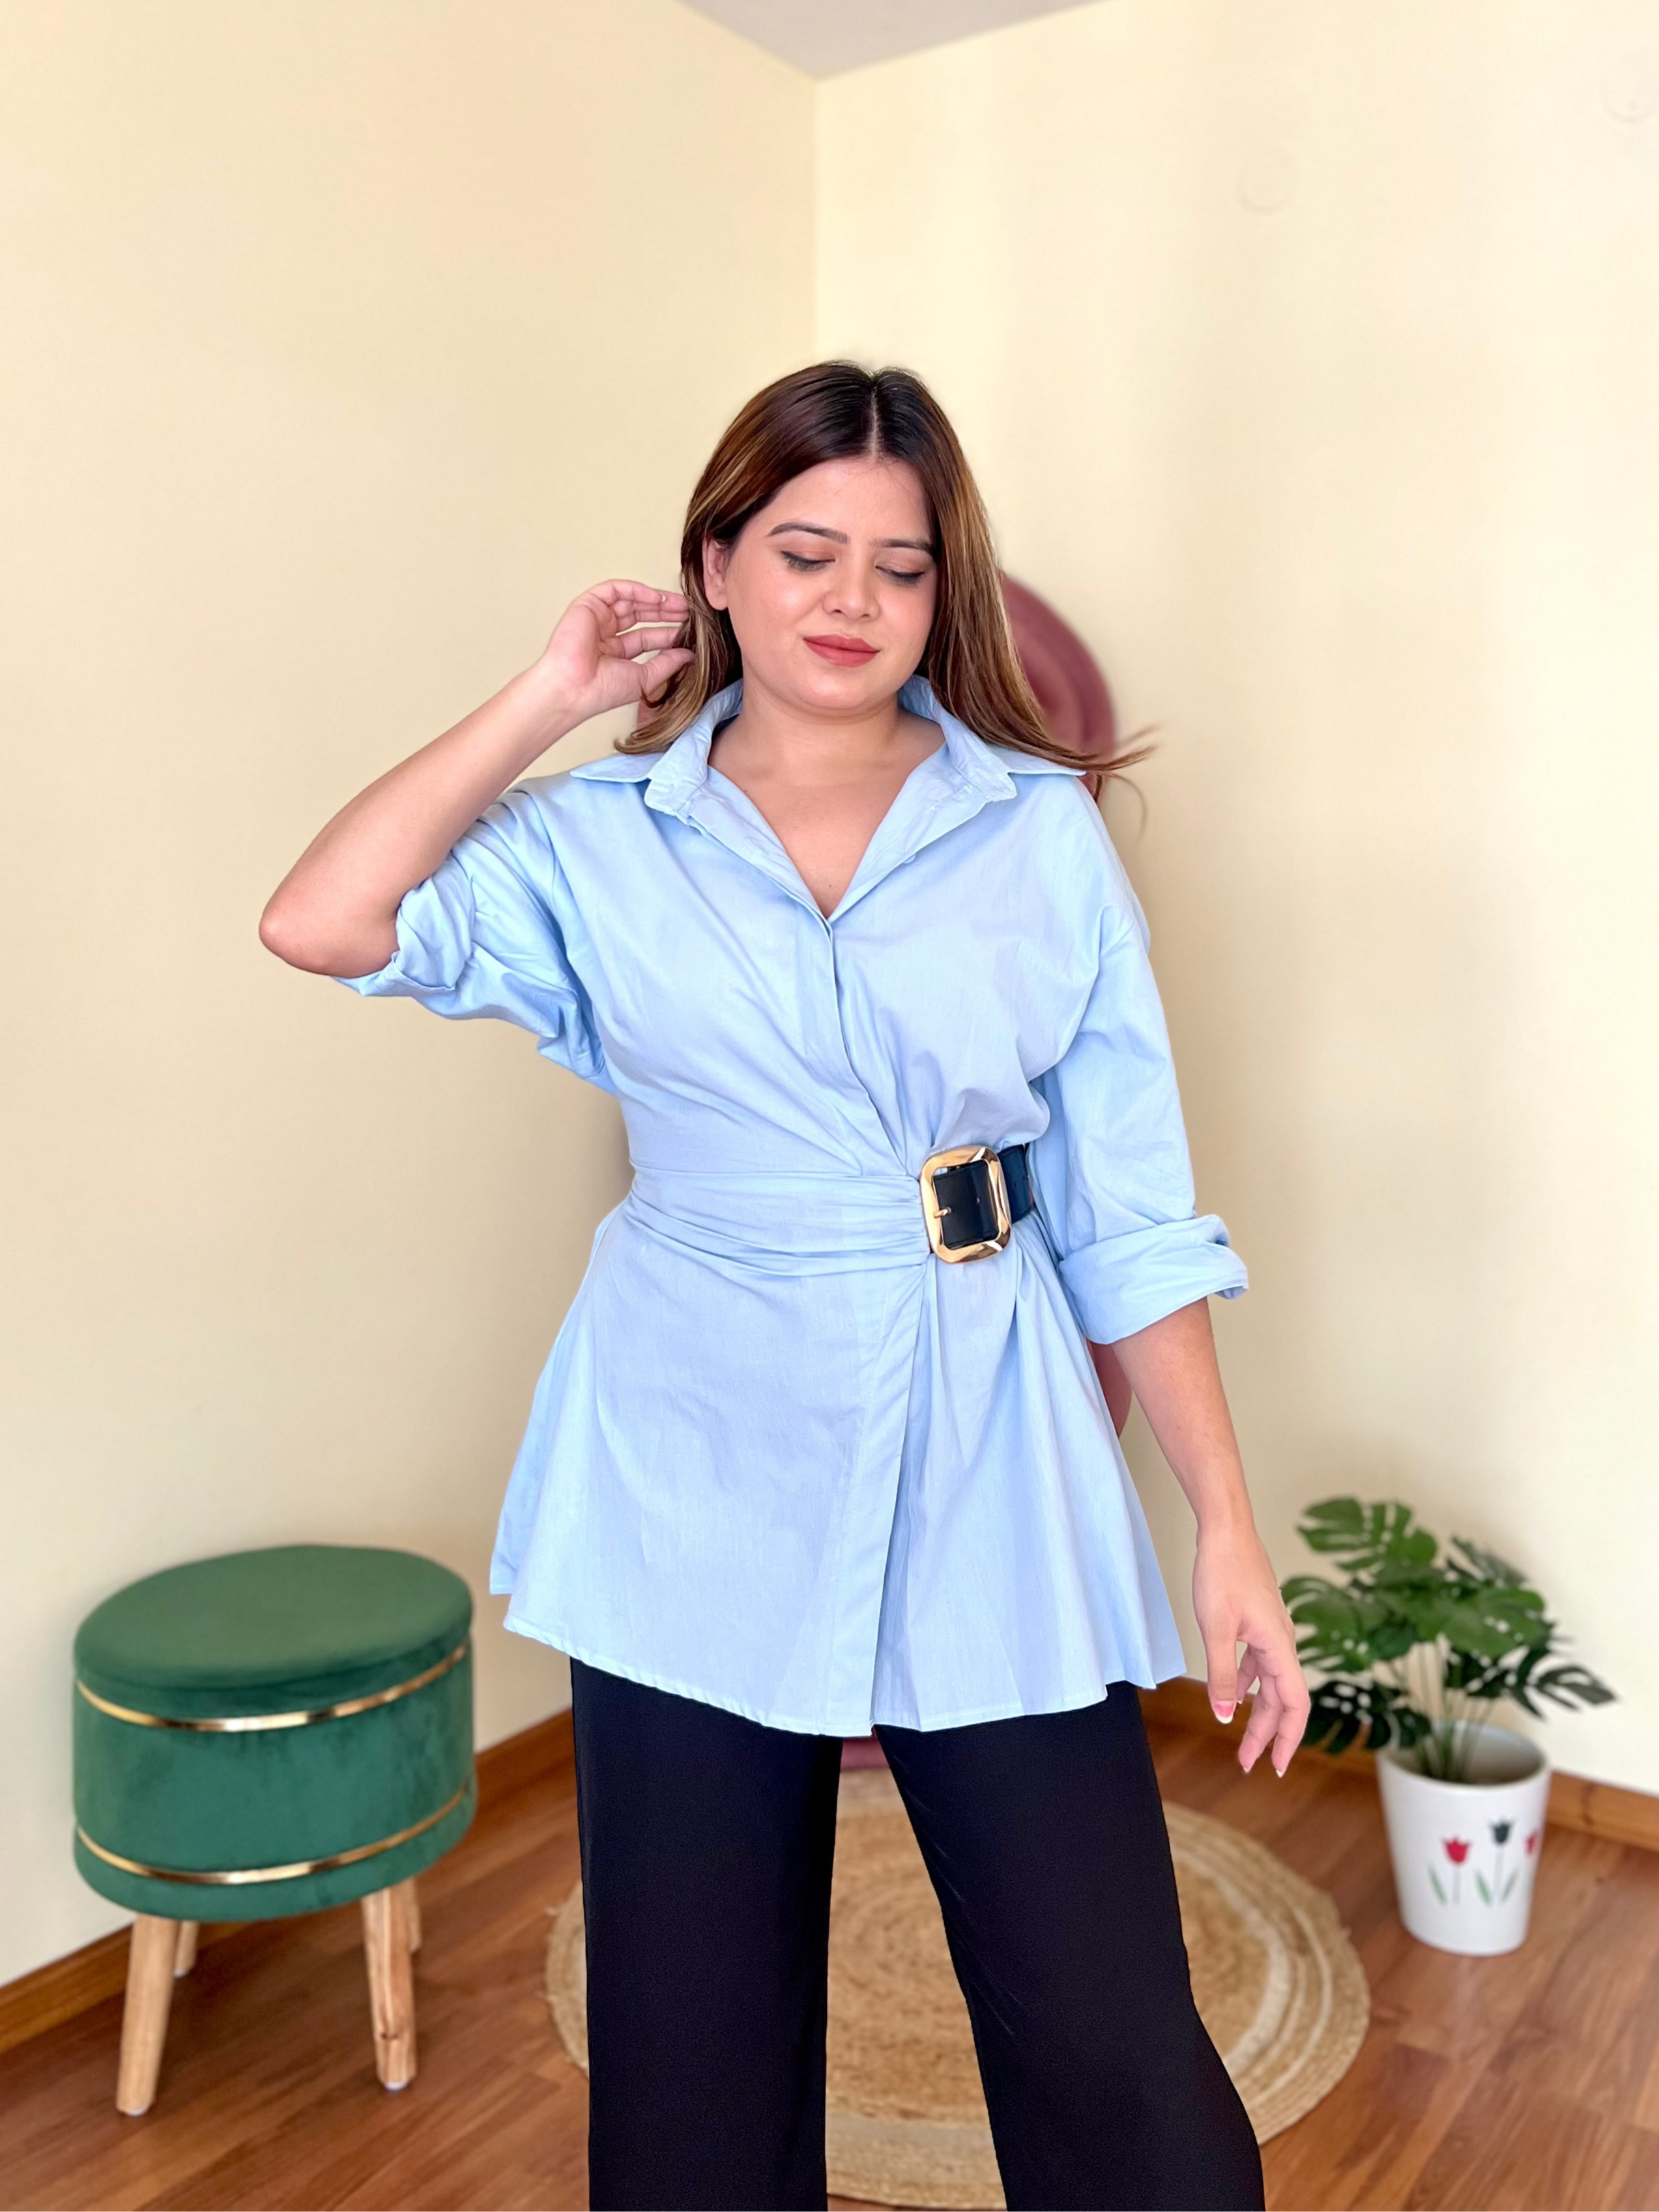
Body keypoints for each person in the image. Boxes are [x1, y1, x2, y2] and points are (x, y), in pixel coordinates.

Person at [261, 361, 1308, 2212]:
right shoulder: (601, 839)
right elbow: (323, 919)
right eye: (805, 549)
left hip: (992, 1433)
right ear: (719, 564)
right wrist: (555, 695)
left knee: (1116, 2048)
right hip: (690, 1457)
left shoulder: (1036, 833)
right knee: (691, 2079)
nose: (851, 599)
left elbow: (1132, 1212)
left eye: (899, 567)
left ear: (941, 594)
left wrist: (1223, 1527)